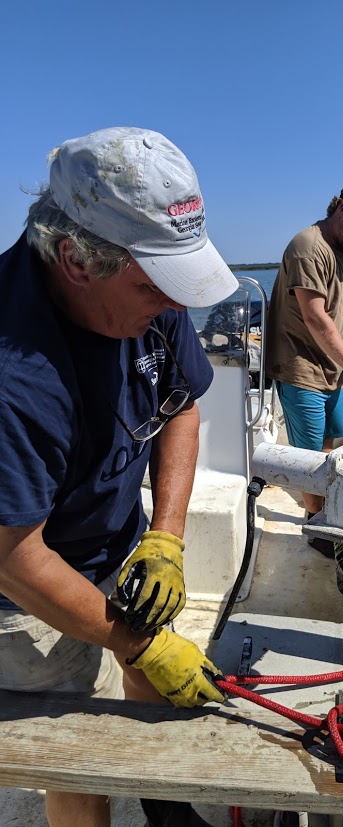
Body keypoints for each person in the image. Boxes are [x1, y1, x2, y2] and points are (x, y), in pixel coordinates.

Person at [0, 126, 240, 827]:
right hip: (21, 588)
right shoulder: (15, 380)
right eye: (157, 286)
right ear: (75, 259)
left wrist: (165, 539)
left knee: (151, 681)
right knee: (76, 752)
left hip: (120, 543)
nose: (177, 306)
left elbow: (181, 406)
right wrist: (141, 641)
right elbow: (13, 556)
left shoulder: (147, 295)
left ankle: (166, 806)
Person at [265, 185, 343, 557]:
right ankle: (316, 529)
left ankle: (326, 513)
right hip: (300, 366)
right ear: (342, 208)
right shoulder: (308, 246)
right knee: (311, 458)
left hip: (333, 369)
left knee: (333, 445)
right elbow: (315, 317)